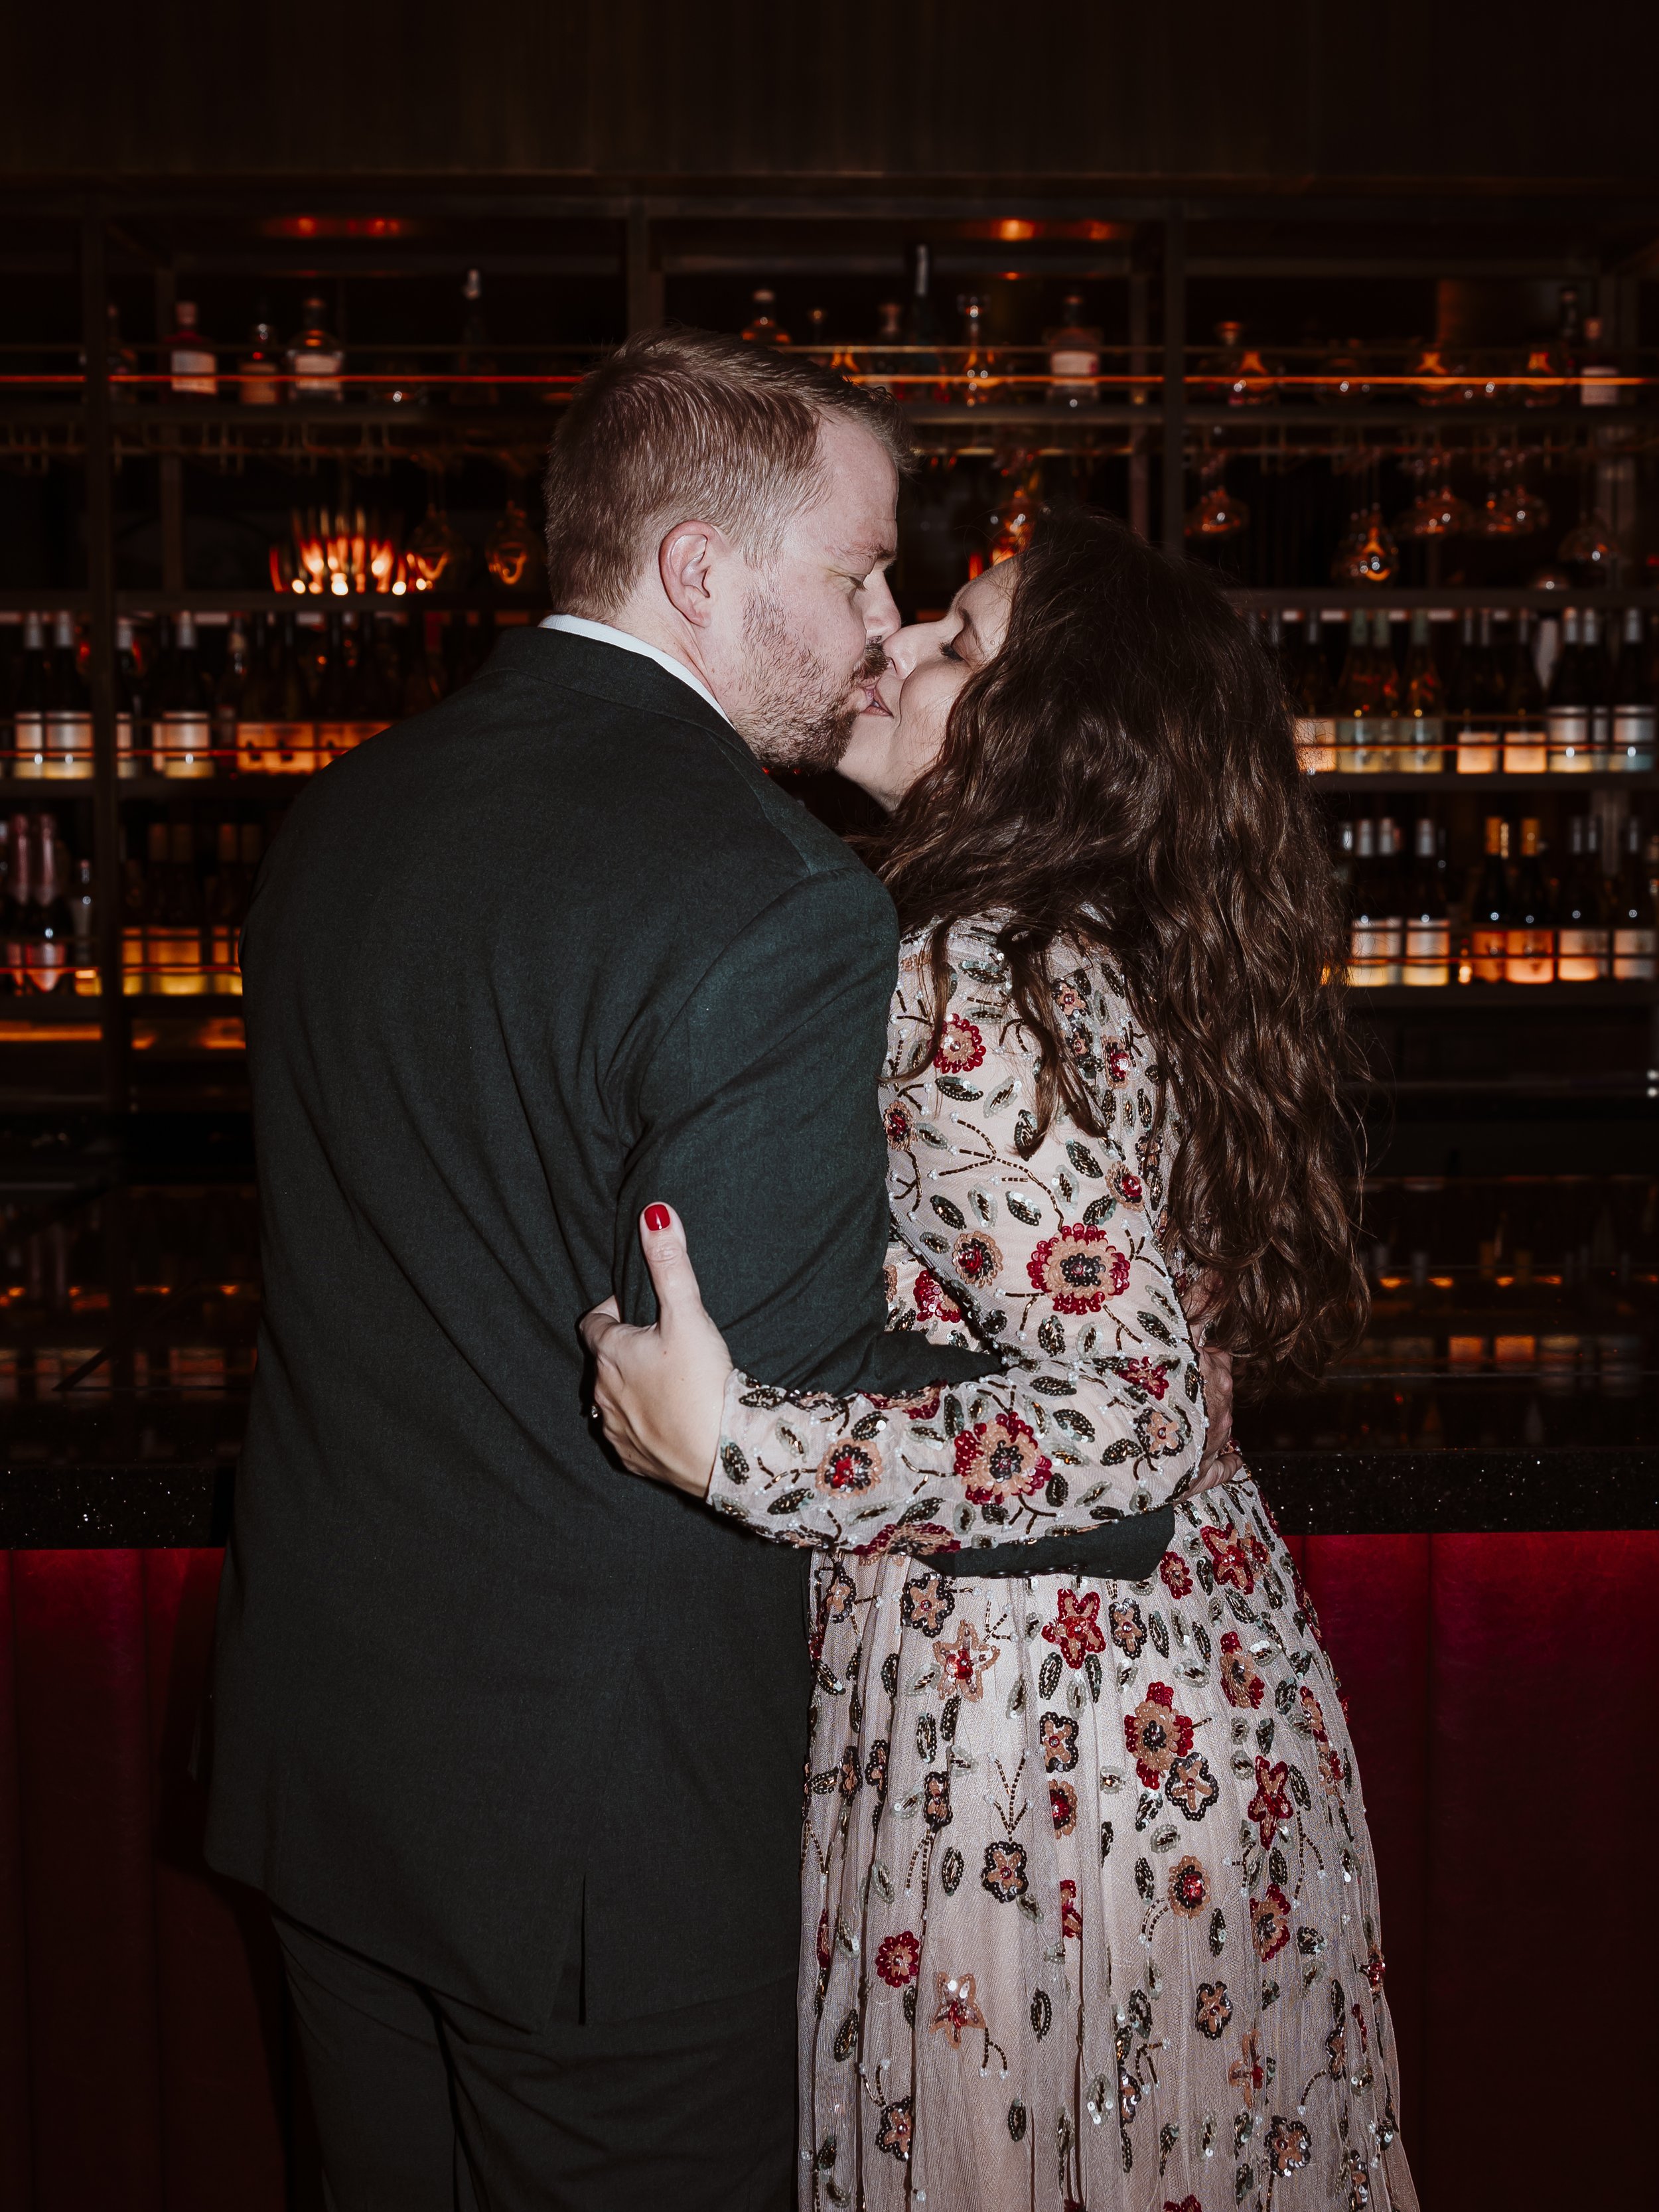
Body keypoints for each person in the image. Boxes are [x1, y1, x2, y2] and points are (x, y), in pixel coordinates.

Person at [202, 330, 1171, 2212]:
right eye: (858, 571)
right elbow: (775, 1390)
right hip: (602, 1831)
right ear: (700, 571)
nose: (882, 623)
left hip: (328, 1758)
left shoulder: (341, 811)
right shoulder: (773, 894)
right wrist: (1109, 1424)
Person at [585, 512, 1420, 2210]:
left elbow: (1128, 1412)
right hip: (1189, 1675)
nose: (891, 646)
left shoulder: (968, 972)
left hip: (1040, 1721)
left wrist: (730, 1442)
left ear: (1057, 733)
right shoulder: (1107, 943)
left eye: (955, 641)